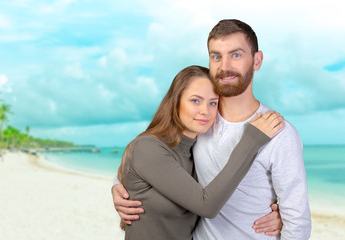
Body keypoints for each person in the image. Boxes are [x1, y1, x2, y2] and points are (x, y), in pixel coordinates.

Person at [114, 19, 312, 239]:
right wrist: (120, 187)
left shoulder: (278, 133)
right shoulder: (201, 124)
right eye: (216, 56)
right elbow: (158, 156)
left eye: (236, 55)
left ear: (257, 61)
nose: (225, 65)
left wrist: (283, 215)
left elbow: (297, 221)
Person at [117, 65, 284, 240]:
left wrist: (277, 213)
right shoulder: (148, 147)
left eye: (213, 103)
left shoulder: (196, 152)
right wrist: (252, 140)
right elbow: (207, 205)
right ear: (176, 101)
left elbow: (225, 192)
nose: (205, 111)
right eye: (195, 100)